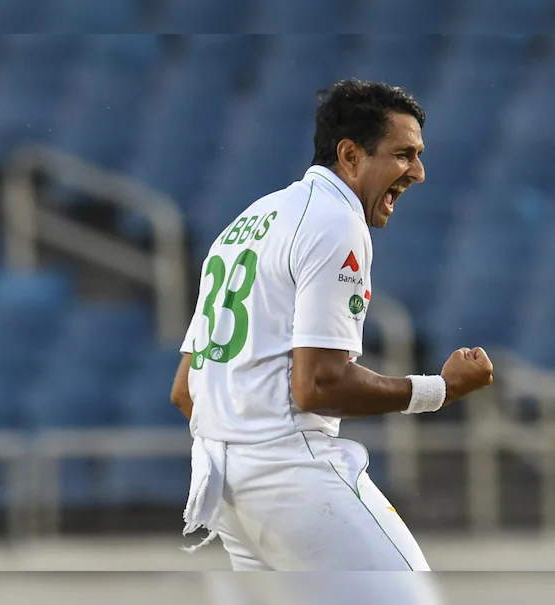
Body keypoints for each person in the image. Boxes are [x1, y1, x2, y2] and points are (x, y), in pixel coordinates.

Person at [170, 79, 493, 571]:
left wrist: (244, 445)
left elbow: (185, 390)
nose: (419, 172)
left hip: (226, 487)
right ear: (351, 155)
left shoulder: (246, 223)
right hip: (291, 476)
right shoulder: (334, 220)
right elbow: (318, 385)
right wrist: (441, 390)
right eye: (403, 154)